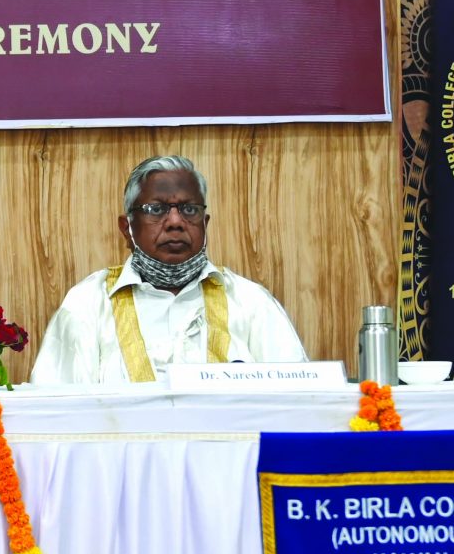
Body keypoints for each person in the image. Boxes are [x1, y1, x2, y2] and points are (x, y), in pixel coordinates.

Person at [28, 155, 307, 384]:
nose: (175, 221)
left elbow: (298, 401)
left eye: (189, 209)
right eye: (156, 209)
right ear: (127, 229)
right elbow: (57, 413)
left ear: (204, 223)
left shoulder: (250, 301)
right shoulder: (88, 303)